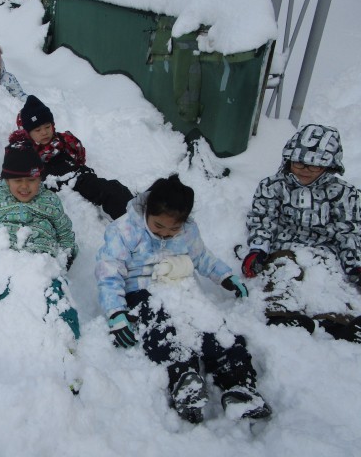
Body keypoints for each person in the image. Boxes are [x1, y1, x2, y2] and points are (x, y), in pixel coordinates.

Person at [96, 174, 271, 423]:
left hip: (183, 286)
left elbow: (201, 257)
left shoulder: (188, 230)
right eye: (158, 226)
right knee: (161, 331)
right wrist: (116, 312)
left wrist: (225, 277)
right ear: (147, 211)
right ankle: (184, 379)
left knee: (212, 327)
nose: (166, 234)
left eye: (173, 229)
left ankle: (238, 383)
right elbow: (109, 272)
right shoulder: (124, 230)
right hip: (142, 291)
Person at [242, 124, 361, 343]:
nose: (305, 169)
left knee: (328, 279)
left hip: (324, 249)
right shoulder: (273, 186)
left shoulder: (344, 193)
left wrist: (355, 264)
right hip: (284, 247)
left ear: (330, 165)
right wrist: (258, 249)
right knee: (284, 275)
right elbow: (263, 219)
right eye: (299, 162)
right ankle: (283, 314)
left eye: (315, 165)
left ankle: (339, 320)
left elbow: (349, 231)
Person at [0, 141, 80, 340]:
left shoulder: (50, 201)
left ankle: (63, 338)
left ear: (39, 178)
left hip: (41, 264)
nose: (25, 186)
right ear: (7, 180)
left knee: (56, 297)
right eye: (17, 180)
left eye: (31, 180)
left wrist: (67, 255)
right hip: (3, 261)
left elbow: (65, 233)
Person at [11, 95, 133, 220]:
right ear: (27, 133)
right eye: (37, 130)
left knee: (111, 190)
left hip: (77, 178)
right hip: (49, 191)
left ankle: (134, 216)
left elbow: (79, 155)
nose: (44, 132)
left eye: (47, 127)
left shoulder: (65, 140)